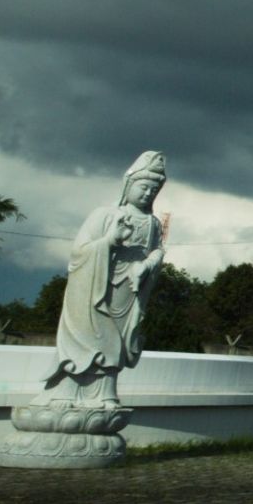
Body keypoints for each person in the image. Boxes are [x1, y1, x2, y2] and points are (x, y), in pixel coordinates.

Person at [46, 151, 167, 404]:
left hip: (129, 291)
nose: (147, 194)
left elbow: (157, 250)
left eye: (153, 191)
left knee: (119, 342)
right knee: (90, 336)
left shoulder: (153, 223)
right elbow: (79, 252)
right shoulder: (105, 215)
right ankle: (68, 388)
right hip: (96, 286)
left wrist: (145, 266)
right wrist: (110, 242)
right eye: (144, 187)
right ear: (129, 184)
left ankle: (104, 392)